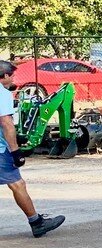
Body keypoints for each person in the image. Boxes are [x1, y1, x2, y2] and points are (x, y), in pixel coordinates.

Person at [0, 60, 65, 237]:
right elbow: (6, 123)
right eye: (12, 75)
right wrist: (15, 151)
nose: (14, 78)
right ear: (5, 76)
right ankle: (36, 222)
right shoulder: (2, 93)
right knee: (17, 184)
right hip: (1, 151)